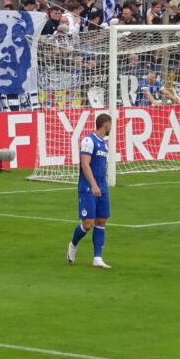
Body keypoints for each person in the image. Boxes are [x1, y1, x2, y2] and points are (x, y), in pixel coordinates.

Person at [66, 112, 113, 268]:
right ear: (106, 124)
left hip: (102, 187)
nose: (111, 128)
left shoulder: (105, 144)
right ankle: (73, 245)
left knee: (101, 221)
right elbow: (85, 164)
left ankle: (97, 258)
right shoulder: (88, 140)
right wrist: (93, 184)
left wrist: (101, 185)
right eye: (110, 125)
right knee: (87, 224)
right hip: (88, 187)